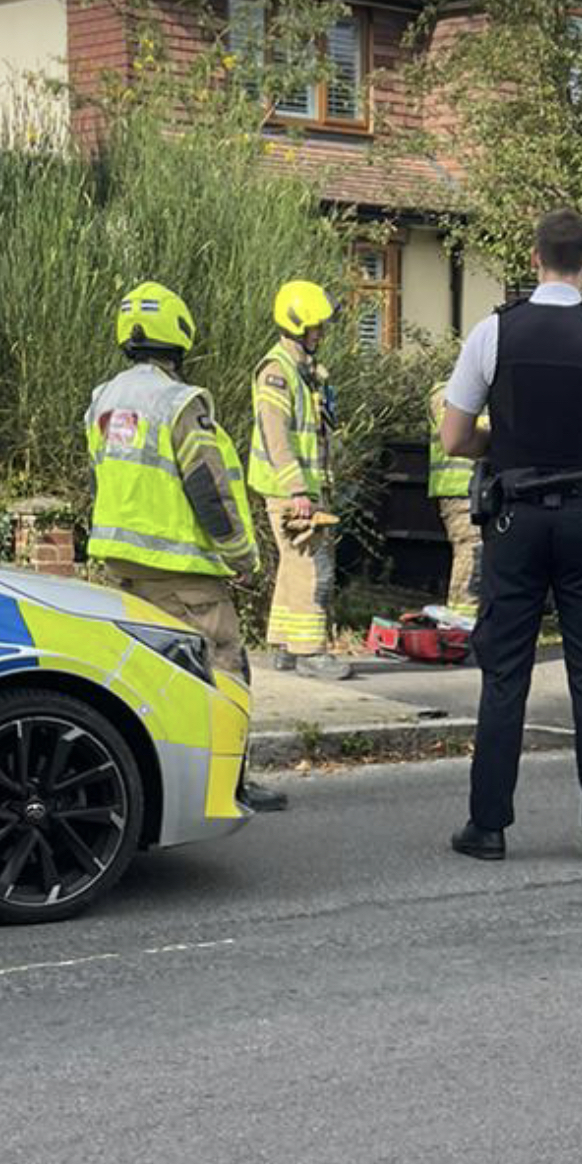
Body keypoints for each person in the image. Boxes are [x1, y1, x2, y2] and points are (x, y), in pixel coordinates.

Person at [442, 208, 582, 863]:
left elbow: (453, 437)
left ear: (534, 259)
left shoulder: (492, 333)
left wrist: (508, 443)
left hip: (514, 519)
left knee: (505, 673)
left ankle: (488, 825)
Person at [86, 280, 286, 813]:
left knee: (148, 679)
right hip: (186, 574)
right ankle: (232, 784)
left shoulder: (102, 400)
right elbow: (209, 489)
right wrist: (242, 556)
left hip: (123, 568)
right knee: (223, 669)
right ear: (180, 334)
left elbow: (101, 478)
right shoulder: (180, 402)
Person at [249, 280, 352, 681]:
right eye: (316, 327)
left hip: (303, 492)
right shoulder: (277, 371)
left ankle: (284, 645)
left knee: (294, 567)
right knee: (314, 569)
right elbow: (276, 435)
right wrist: (297, 490)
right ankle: (311, 652)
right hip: (291, 493)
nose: (321, 333)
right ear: (296, 325)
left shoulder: (305, 371)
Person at [427, 379, 482, 617]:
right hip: (459, 489)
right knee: (472, 554)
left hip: (481, 488)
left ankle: (473, 624)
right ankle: (461, 625)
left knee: (482, 556)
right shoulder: (447, 392)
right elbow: (458, 429)